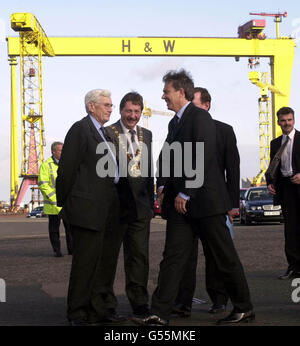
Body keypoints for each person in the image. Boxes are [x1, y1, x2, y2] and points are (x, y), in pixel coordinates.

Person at [133, 69, 254, 326]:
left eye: (166, 91)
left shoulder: (199, 117)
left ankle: (244, 307)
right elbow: (166, 156)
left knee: (224, 257)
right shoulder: (174, 122)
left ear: (181, 91)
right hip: (181, 206)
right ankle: (160, 312)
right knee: (173, 258)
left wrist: (187, 191)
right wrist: (163, 185)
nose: (163, 96)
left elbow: (204, 154)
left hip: (205, 203)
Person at [56, 89, 124, 326]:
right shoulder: (80, 129)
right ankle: (77, 313)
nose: (110, 108)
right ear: (91, 106)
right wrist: (66, 203)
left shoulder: (106, 133)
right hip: (87, 208)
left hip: (109, 206)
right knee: (85, 264)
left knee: (104, 263)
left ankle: (98, 309)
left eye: (111, 104)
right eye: (106, 104)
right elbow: (66, 170)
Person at [173, 87, 240, 316]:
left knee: (217, 255)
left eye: (194, 101)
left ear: (206, 105)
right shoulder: (179, 126)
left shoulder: (224, 131)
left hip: (211, 203)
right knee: (185, 257)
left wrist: (232, 204)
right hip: (187, 205)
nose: (189, 106)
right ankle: (182, 303)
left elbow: (232, 170)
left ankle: (220, 299)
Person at [99, 92, 154, 317]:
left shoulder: (147, 134)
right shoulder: (106, 133)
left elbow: (148, 170)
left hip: (140, 207)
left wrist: (150, 204)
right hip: (115, 206)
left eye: (137, 112)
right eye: (128, 111)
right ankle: (105, 303)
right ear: (121, 111)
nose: (132, 116)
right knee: (108, 257)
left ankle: (139, 301)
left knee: (139, 257)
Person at [266, 106, 300, 280]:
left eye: (289, 120)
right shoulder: (275, 143)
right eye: (283, 120)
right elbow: (272, 168)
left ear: (294, 120)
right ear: (278, 122)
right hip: (286, 189)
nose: (286, 123)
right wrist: (270, 183)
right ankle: (294, 267)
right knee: (290, 230)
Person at [38, 141, 72, 257]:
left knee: (70, 228)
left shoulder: (67, 164)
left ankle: (71, 250)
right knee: (54, 230)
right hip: (53, 205)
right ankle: (57, 251)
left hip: (66, 203)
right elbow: (43, 184)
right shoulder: (45, 165)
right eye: (61, 150)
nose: (64, 152)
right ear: (54, 152)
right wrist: (56, 199)